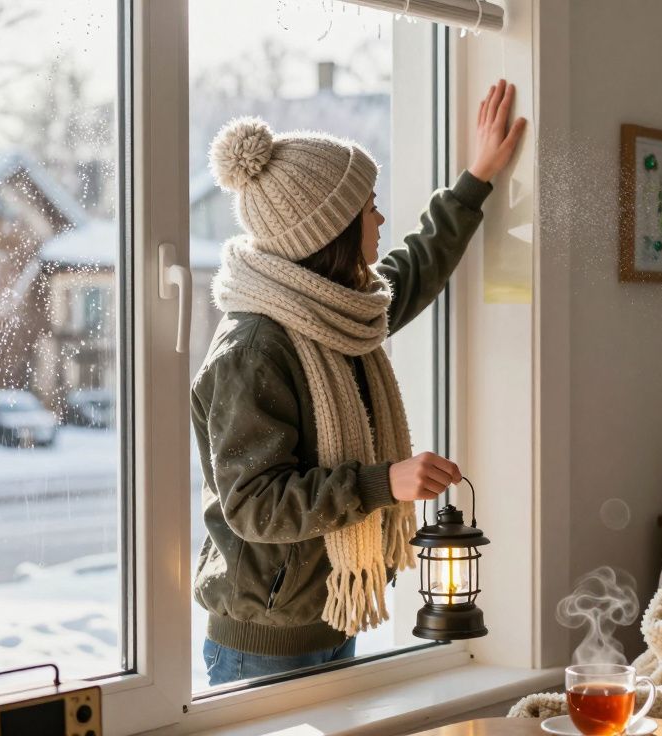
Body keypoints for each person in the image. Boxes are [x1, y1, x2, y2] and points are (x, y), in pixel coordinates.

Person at [192, 80, 526, 686]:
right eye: (368, 206)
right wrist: (384, 483)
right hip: (264, 639)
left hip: (330, 617)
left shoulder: (340, 311)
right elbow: (255, 505)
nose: (379, 217)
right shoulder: (254, 348)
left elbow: (414, 269)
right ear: (331, 232)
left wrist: (476, 178)